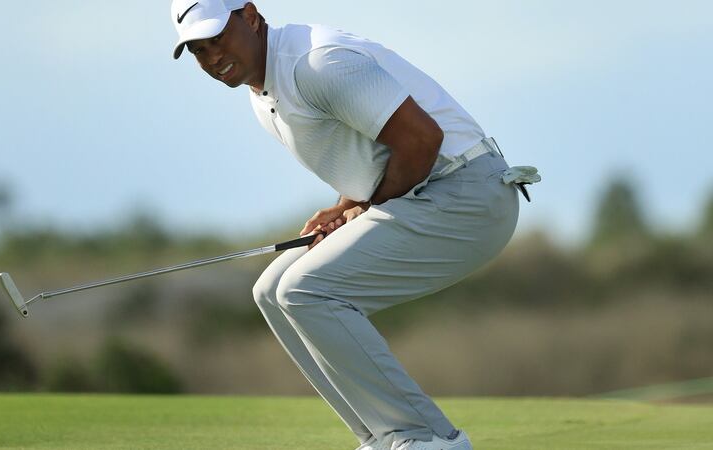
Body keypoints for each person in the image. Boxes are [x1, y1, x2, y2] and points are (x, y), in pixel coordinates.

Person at [170, 1, 539, 449]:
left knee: (306, 289)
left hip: (468, 193)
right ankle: (384, 437)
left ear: (250, 16)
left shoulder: (316, 64)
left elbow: (422, 140)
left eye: (218, 38)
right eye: (198, 50)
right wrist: (345, 204)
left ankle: (427, 439)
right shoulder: (263, 91)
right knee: (271, 290)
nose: (212, 57)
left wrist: (366, 208)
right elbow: (376, 148)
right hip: (428, 193)